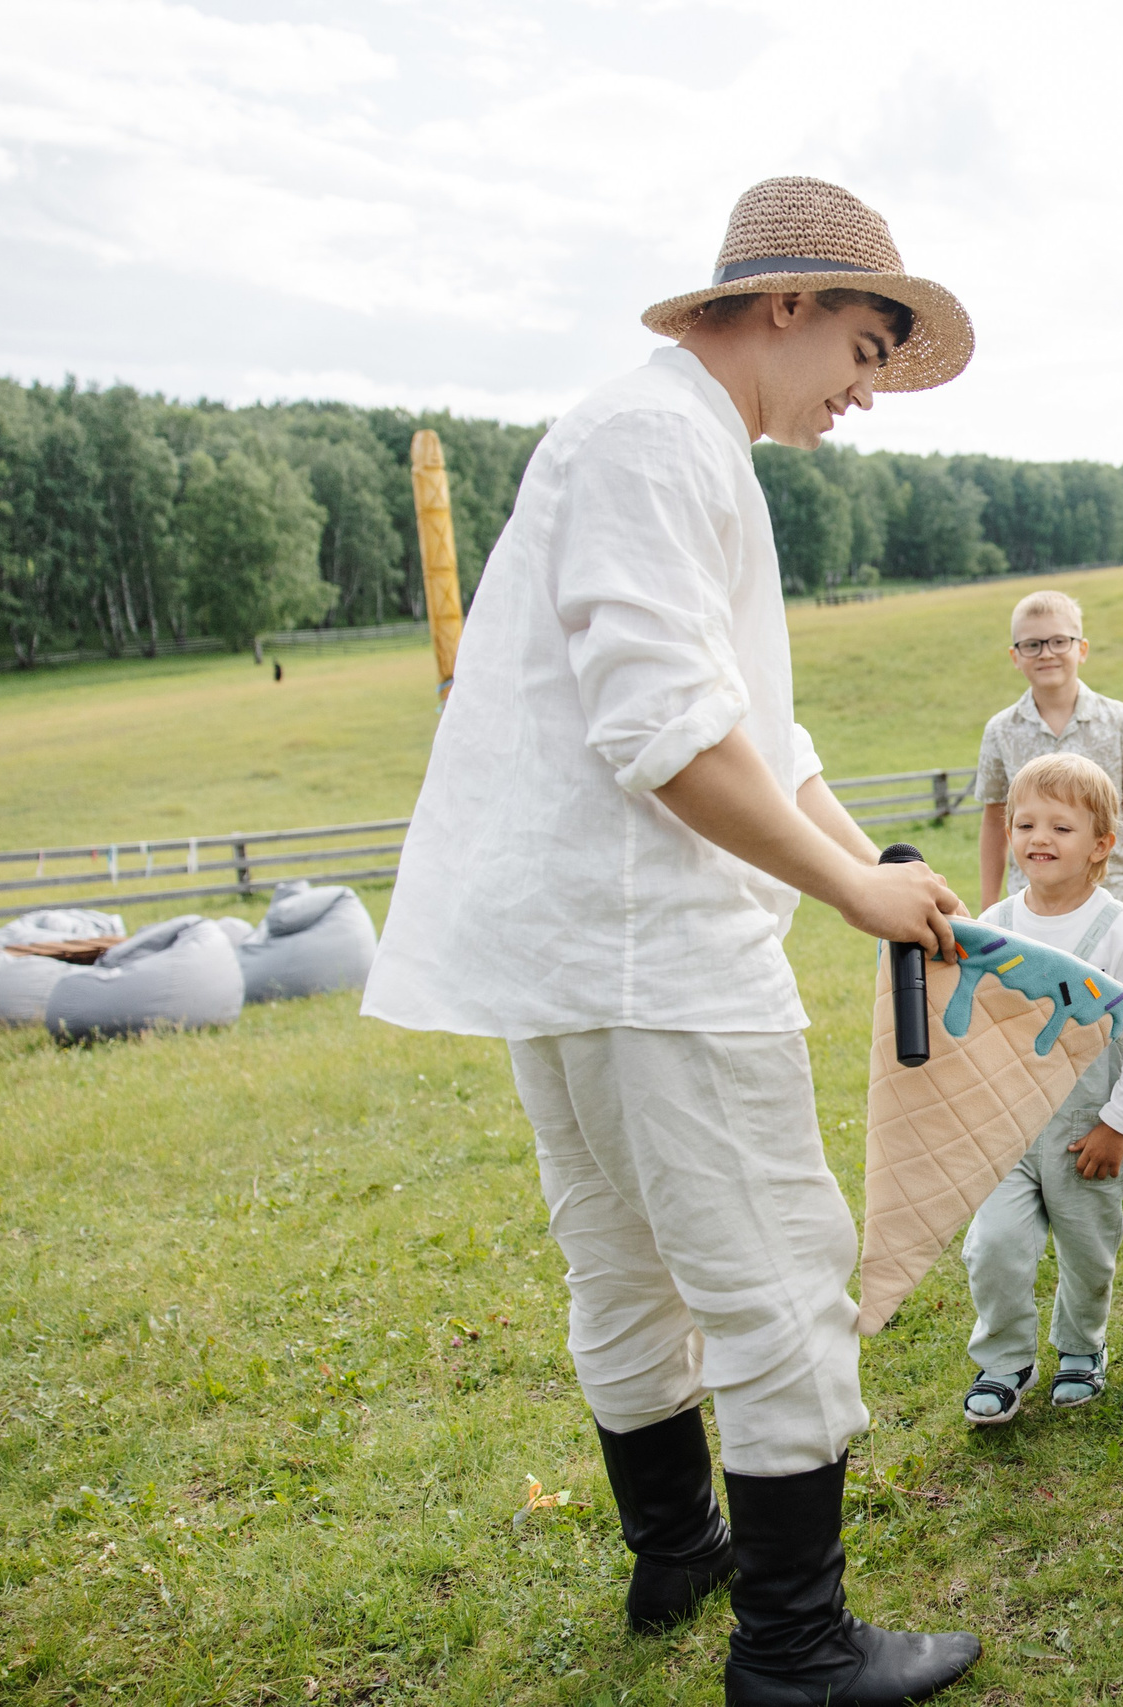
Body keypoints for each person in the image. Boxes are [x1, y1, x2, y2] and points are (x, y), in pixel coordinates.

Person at [361, 176, 982, 1706]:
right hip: (659, 950)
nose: (866, 391)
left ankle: (680, 1551)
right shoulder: (656, 441)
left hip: (584, 949)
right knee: (780, 1278)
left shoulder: (667, 436)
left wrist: (875, 864)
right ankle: (796, 1648)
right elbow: (668, 733)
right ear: (785, 302)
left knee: (626, 1264)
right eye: (866, 347)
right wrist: (849, 896)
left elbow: (761, 732)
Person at [958, 754, 1123, 1424]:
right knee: (993, 1244)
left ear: (1102, 844)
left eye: (1060, 826)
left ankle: (1082, 1346)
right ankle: (1004, 1360)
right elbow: (972, 1021)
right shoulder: (996, 923)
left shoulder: (1118, 931)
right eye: (1025, 824)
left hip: (1088, 1128)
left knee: (1087, 1252)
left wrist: (1119, 1123)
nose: (1038, 838)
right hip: (1008, 1126)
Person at [975, 590, 1123, 953]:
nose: (1046, 653)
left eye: (1059, 641)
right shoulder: (1001, 730)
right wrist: (989, 908)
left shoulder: (1119, 721)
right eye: (1032, 645)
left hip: (1114, 894)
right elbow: (995, 822)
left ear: (1081, 649)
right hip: (1033, 909)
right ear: (1015, 656)